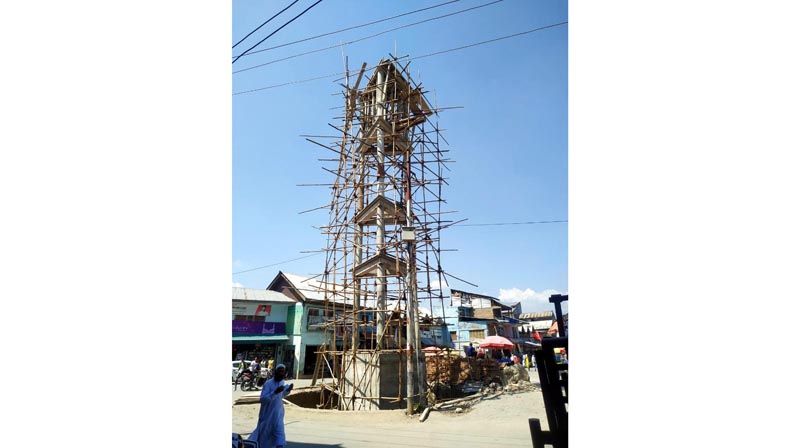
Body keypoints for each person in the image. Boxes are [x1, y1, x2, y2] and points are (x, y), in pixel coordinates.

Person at [248, 364, 293, 448]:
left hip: (278, 415)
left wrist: (287, 390)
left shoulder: (282, 382)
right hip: (267, 416)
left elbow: (281, 395)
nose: (280, 373)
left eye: (282, 372)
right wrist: (274, 392)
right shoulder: (268, 384)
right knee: (264, 438)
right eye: (279, 371)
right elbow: (263, 399)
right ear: (275, 372)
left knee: (280, 436)